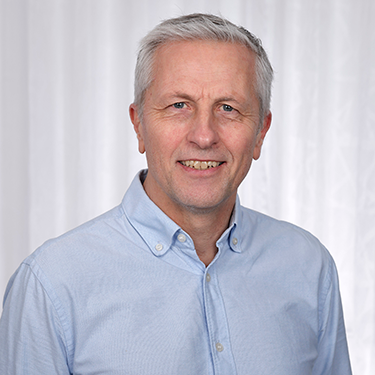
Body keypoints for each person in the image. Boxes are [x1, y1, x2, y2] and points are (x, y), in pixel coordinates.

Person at [0, 13, 351, 374]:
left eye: (228, 108)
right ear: (139, 125)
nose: (204, 135)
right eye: (178, 105)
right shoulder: (52, 284)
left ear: (261, 131)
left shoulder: (309, 268)